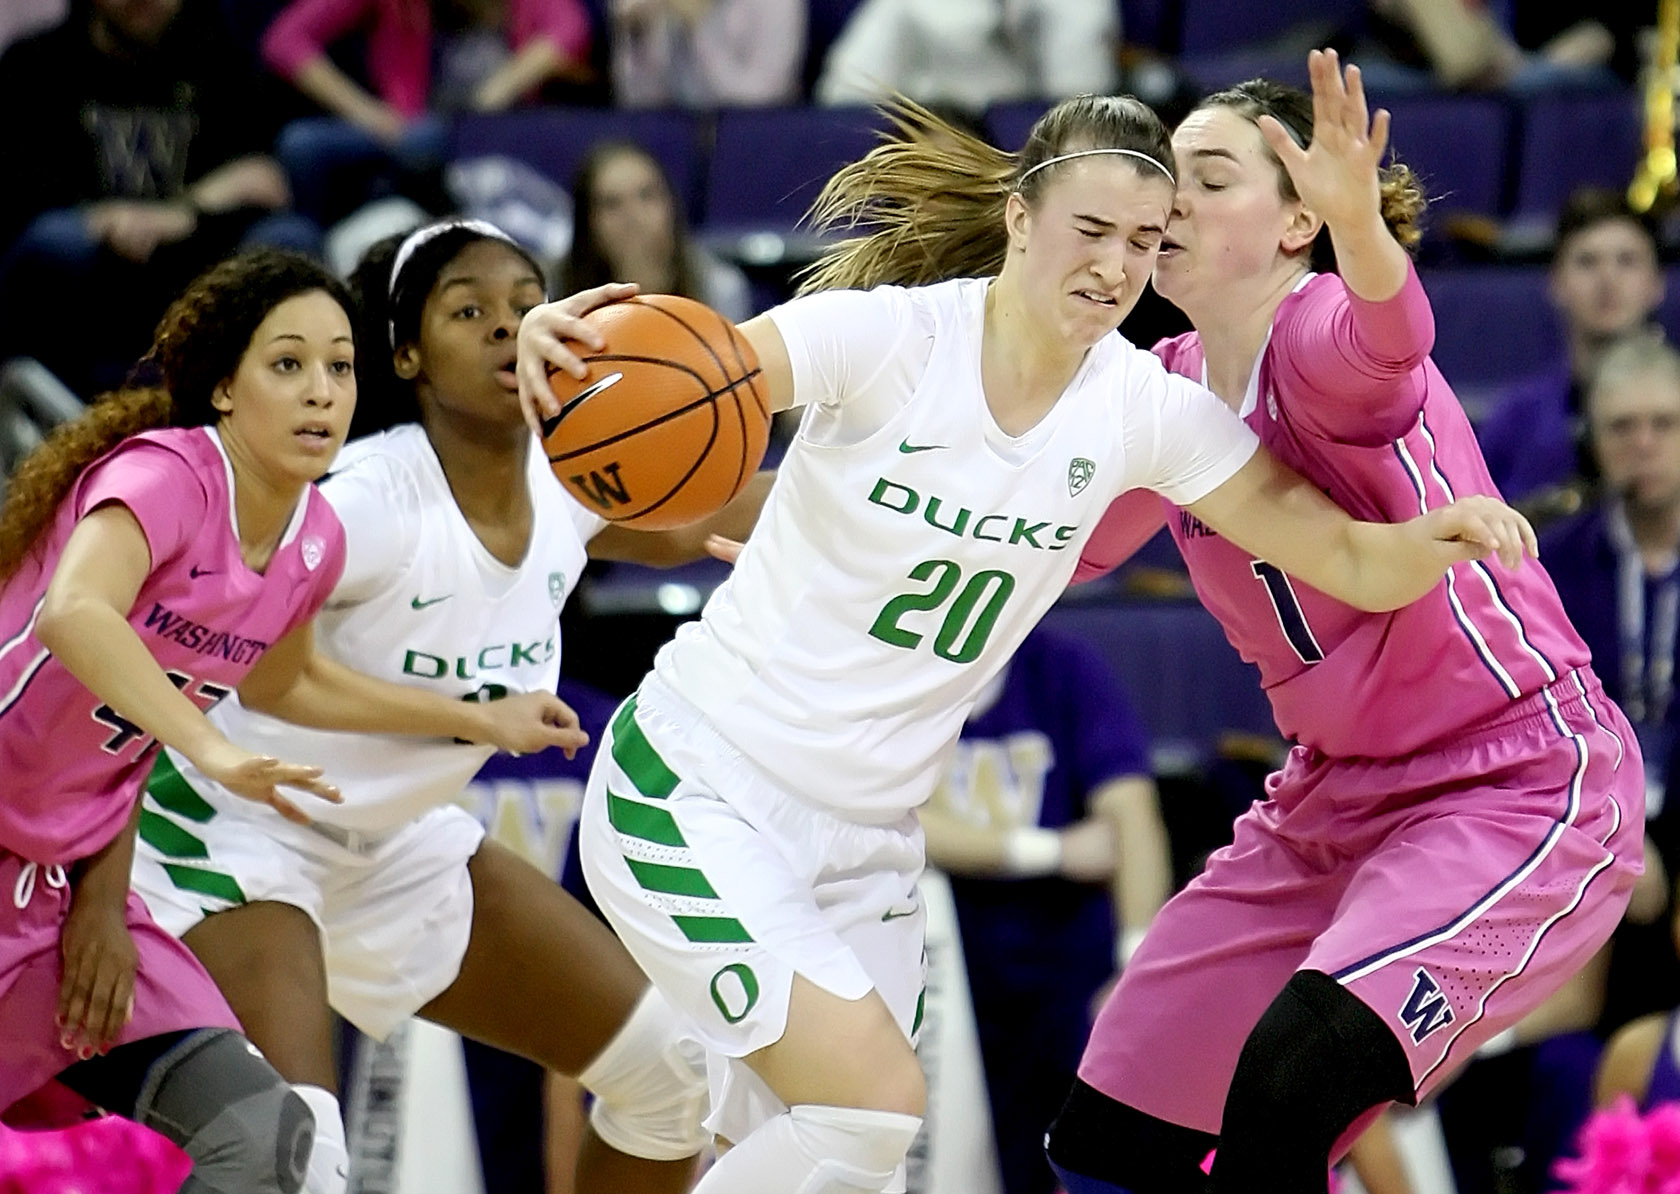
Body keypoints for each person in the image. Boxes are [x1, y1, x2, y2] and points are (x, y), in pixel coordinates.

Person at [517, 88, 1539, 1194]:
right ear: (1019, 218)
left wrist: (1434, 541)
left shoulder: (1145, 411)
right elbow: (669, 397)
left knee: (846, 1157)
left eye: (1144, 241)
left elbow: (1337, 554)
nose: (1115, 265)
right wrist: (558, 356)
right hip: (702, 786)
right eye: (1090, 231)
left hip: (869, 842)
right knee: (869, 1107)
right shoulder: (886, 337)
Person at [1045, 51, 1644, 1194]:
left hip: (1511, 783)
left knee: (1297, 1080)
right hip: (1333, 798)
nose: (1172, 199)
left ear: (1294, 222)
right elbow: (1046, 543)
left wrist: (1362, 230)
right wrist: (809, 522)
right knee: (1109, 1138)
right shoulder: (1159, 392)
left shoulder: (1316, 330)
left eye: (1210, 177)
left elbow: (1389, 339)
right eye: (1167, 176)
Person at [129, 218, 773, 1194]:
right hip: (240, 831)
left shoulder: (567, 485)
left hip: (387, 840)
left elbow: (709, 513)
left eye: (525, 306)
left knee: (671, 1079)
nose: (508, 330)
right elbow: (267, 676)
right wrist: (478, 720)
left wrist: (897, 485)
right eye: (470, 311)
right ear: (408, 354)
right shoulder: (367, 500)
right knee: (296, 1163)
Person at [0, 248, 581, 1192]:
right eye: (287, 365)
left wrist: (478, 717)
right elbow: (76, 615)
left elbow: (275, 689)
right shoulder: (167, 476)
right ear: (225, 388)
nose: (321, 393)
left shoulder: (311, 540)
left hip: (59, 884)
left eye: (339, 367)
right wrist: (212, 750)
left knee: (274, 1146)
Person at [919, 622, 1168, 1194]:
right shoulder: (905, 672)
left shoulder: (1063, 665)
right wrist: (1051, 850)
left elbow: (1129, 814)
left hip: (1068, 966)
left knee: (1095, 1151)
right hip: (952, 970)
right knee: (968, 1159)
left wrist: (1136, 960)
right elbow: (904, 822)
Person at [0, 0, 314, 398]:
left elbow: (265, 181)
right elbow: (21, 189)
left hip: (195, 259)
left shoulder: (219, 55)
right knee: (56, 242)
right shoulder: (39, 61)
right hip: (95, 268)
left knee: (289, 241)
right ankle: (54, 423)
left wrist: (182, 212)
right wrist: (103, 217)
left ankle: (261, 426)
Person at [260, 0, 593, 225]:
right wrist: (365, 112)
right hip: (412, 127)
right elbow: (284, 41)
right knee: (300, 142)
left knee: (423, 142)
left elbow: (571, 28)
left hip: (491, 132)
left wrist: (499, 88)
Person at [1478, 189, 1666, 509]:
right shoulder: (1514, 421)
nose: (1608, 279)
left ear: (1657, 283)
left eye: (1627, 261)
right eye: (1587, 262)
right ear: (1556, 282)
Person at [560, 140, 753, 326]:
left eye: (646, 195)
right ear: (587, 222)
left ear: (671, 204)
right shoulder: (555, 292)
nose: (634, 217)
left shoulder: (720, 288)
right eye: (612, 204)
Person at [814, 0, 1118, 118]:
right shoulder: (906, 6)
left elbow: (1081, 109)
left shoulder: (1079, 8)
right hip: (936, 147)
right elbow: (844, 94)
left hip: (1030, 152)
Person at [609, 0, 805, 109]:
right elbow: (640, 101)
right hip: (677, 135)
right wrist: (639, 35)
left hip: (757, 138)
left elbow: (764, 98)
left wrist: (697, 28)